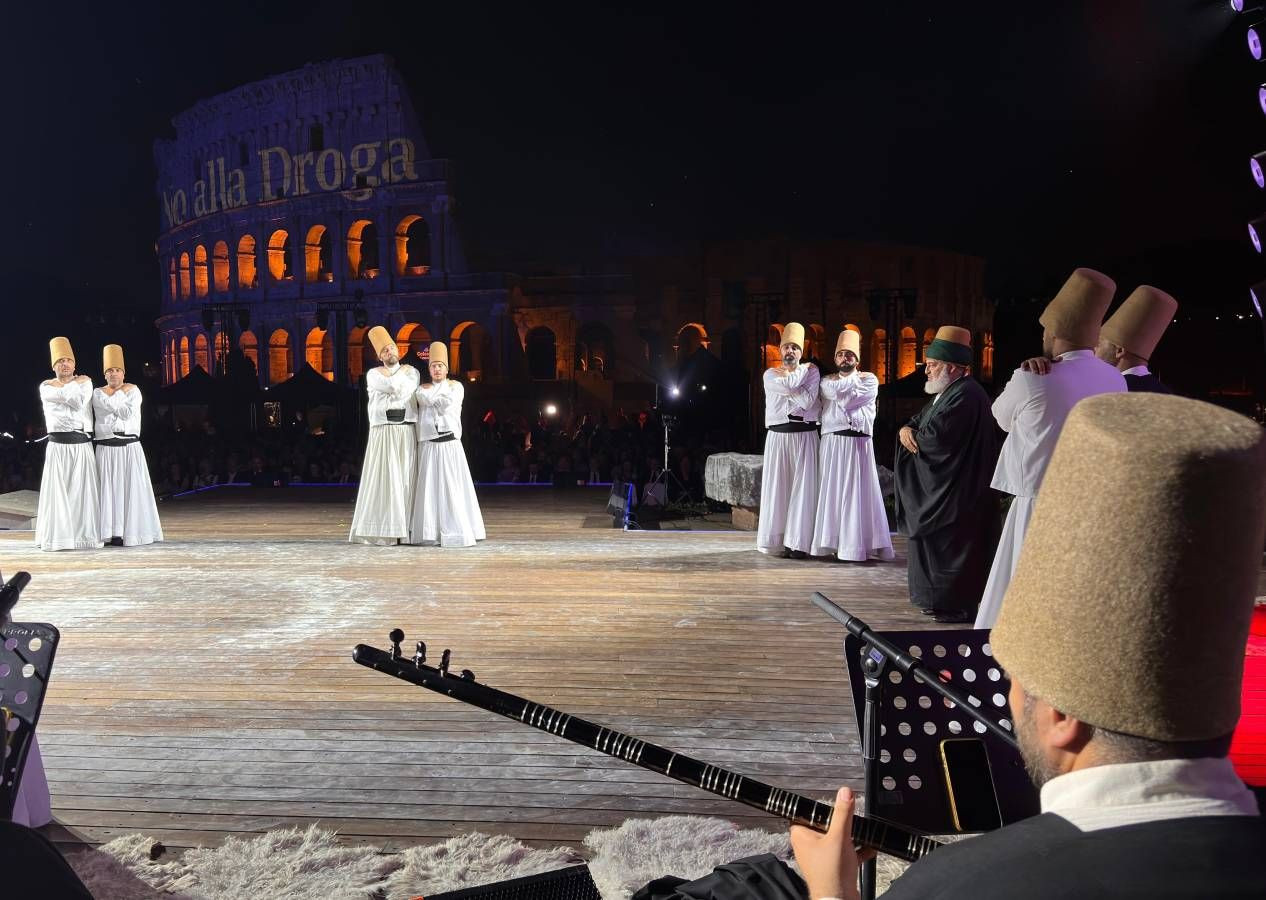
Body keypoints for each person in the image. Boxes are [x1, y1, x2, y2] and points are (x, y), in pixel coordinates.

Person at [792, 392, 1266, 899]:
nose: (1010, 700)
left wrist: (831, 894)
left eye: (1012, 679)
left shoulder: (956, 887)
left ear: (1062, 716)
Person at [974, 268, 1125, 628]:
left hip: (1039, 502)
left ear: (1054, 333)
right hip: (1089, 505)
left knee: (1025, 588)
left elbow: (1000, 416)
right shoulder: (1115, 378)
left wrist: (1025, 374)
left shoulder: (1032, 377)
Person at [892, 326, 999, 623]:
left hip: (957, 493)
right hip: (949, 489)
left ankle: (953, 604)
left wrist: (911, 434)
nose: (926, 370)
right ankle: (935, 600)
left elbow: (935, 439)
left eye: (933, 365)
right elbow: (919, 421)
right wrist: (905, 429)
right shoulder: (949, 392)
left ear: (952, 368)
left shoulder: (966, 395)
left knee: (951, 549)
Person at [810, 329, 893, 562]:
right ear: (835, 358)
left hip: (858, 444)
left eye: (849, 354)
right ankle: (832, 543)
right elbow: (839, 394)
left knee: (858, 494)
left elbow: (847, 400)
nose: (844, 358)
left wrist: (843, 393)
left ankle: (856, 546)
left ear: (857, 359)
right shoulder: (826, 381)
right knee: (833, 492)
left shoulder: (869, 379)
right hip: (832, 442)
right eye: (840, 355)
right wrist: (844, 392)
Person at [408, 341, 486, 547]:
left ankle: (458, 529)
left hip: (450, 444)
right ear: (429, 369)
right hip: (429, 444)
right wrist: (435, 395)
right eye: (433, 366)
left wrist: (436, 395)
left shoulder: (456, 386)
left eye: (440, 365)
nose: (436, 369)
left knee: (453, 487)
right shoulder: (421, 389)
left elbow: (446, 403)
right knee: (429, 489)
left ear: (447, 368)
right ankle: (429, 532)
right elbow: (425, 400)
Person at [349, 326, 419, 544]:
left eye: (391, 348)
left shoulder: (412, 372)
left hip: (405, 429)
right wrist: (395, 383)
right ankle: (385, 530)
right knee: (385, 479)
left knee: (405, 479)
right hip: (383, 430)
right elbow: (393, 387)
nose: (389, 353)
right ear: (379, 356)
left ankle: (405, 530)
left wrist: (395, 384)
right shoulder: (372, 374)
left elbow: (402, 389)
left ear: (398, 349)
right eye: (385, 351)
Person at [757, 322, 820, 559]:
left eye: (795, 348)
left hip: (804, 436)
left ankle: (799, 543)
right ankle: (779, 541)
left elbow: (807, 402)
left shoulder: (812, 371)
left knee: (803, 491)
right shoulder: (770, 374)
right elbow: (795, 389)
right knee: (779, 491)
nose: (790, 352)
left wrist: (794, 387)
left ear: (801, 352)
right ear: (781, 350)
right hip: (778, 438)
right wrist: (797, 385)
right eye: (787, 347)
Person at [35, 337, 103, 551]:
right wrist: (73, 386)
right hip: (57, 445)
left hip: (81, 443)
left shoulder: (87, 383)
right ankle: (59, 538)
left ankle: (82, 537)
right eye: (60, 361)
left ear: (74, 364)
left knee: (82, 493)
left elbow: (78, 402)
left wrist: (64, 393)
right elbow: (67, 398)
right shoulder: (46, 386)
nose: (64, 364)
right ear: (53, 366)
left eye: (68, 360)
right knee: (58, 492)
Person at [92, 344, 163, 546]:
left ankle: (129, 532)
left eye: (117, 370)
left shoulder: (134, 390)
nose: (113, 374)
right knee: (107, 491)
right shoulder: (97, 393)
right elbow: (109, 408)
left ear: (123, 373)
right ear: (104, 374)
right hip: (106, 447)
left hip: (129, 446)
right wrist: (120, 395)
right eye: (109, 371)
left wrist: (116, 397)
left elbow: (125, 414)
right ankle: (108, 532)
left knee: (129, 490)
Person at [1096, 285, 1178, 393]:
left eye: (1099, 343)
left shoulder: (1107, 391)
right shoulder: (1167, 395)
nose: (1094, 349)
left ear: (1119, 351)